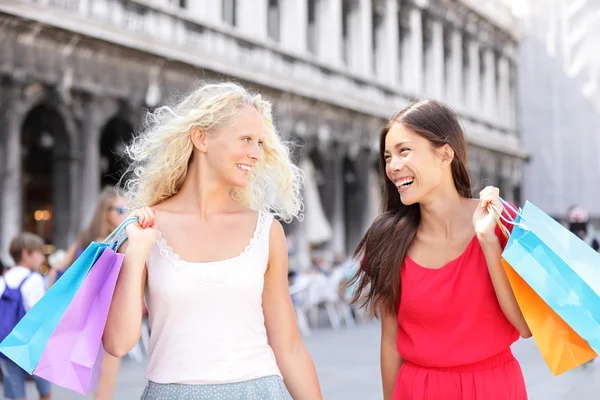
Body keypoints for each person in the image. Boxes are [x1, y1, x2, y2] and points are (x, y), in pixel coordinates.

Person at [103, 81, 322, 399]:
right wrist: (136, 254)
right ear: (201, 138)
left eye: (259, 142)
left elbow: (289, 347)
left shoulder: (266, 231)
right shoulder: (146, 229)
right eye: (246, 139)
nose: (256, 154)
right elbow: (118, 344)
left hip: (259, 391)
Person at [349, 99, 531, 400]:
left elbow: (525, 326)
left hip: (494, 388)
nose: (393, 166)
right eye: (387, 156)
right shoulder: (386, 239)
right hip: (417, 390)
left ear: (445, 154)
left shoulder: (501, 219)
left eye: (404, 151)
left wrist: (488, 243)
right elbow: (390, 341)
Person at [47, 186, 126, 400]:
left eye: (127, 210)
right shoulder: (114, 241)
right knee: (101, 379)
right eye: (120, 210)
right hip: (94, 314)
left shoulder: (118, 239)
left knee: (101, 382)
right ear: (105, 211)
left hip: (102, 313)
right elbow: (60, 269)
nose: (125, 215)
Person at [0, 233, 52, 400]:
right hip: (31, 345)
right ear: (25, 253)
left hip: (6, 343)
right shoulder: (34, 279)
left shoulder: (3, 279)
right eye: (39, 253)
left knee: (16, 394)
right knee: (45, 389)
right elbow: (40, 313)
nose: (42, 258)